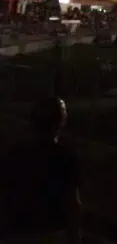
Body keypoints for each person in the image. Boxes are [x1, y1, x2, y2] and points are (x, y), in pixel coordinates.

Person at [1, 97, 81, 244]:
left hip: (17, 232)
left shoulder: (13, 153)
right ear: (60, 123)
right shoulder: (66, 158)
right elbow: (72, 204)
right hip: (51, 234)